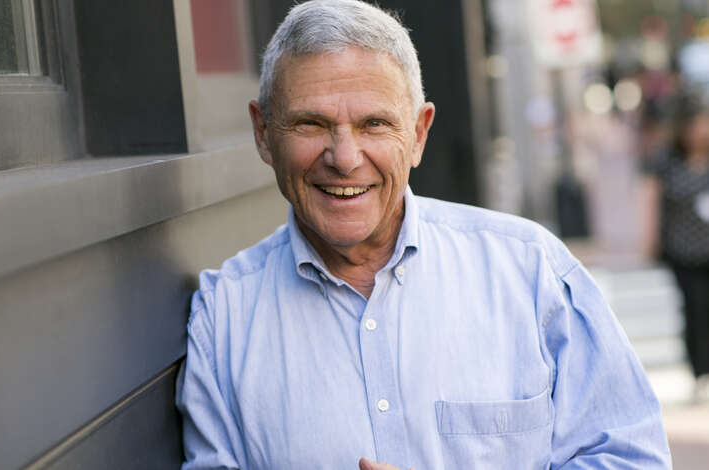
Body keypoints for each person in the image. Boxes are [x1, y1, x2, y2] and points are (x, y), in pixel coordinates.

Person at [176, 1, 671, 468]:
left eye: (374, 124)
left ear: (418, 134)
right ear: (264, 134)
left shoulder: (530, 271)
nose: (344, 158)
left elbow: (632, 457)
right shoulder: (224, 318)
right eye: (311, 123)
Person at [642, 96, 709, 403]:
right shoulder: (666, 160)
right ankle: (700, 372)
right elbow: (652, 199)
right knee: (695, 308)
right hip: (683, 250)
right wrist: (650, 240)